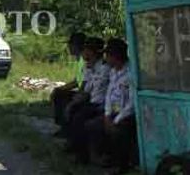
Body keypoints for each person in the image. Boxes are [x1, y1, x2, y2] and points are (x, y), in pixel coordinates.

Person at [82, 39, 136, 173]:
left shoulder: (131, 73)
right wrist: (107, 115)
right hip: (113, 112)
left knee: (119, 131)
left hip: (126, 114)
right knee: (92, 125)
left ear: (115, 56)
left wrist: (117, 119)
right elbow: (109, 96)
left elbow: (132, 103)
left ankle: (122, 166)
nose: (106, 59)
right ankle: (100, 157)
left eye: (108, 55)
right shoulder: (113, 72)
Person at [66, 37, 110, 155]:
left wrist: (76, 101)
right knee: (74, 111)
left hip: (101, 104)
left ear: (91, 52)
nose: (83, 53)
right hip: (92, 101)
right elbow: (85, 88)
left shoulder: (104, 68)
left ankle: (81, 153)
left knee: (79, 117)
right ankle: (74, 146)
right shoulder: (90, 66)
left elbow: (93, 92)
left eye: (86, 50)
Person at [51, 32, 86, 134]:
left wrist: (77, 95)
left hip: (85, 92)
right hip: (81, 90)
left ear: (76, 46)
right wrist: (61, 88)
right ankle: (63, 126)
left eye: (70, 45)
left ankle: (66, 128)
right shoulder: (79, 60)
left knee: (62, 97)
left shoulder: (85, 60)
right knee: (59, 93)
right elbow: (77, 81)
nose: (69, 47)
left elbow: (84, 83)